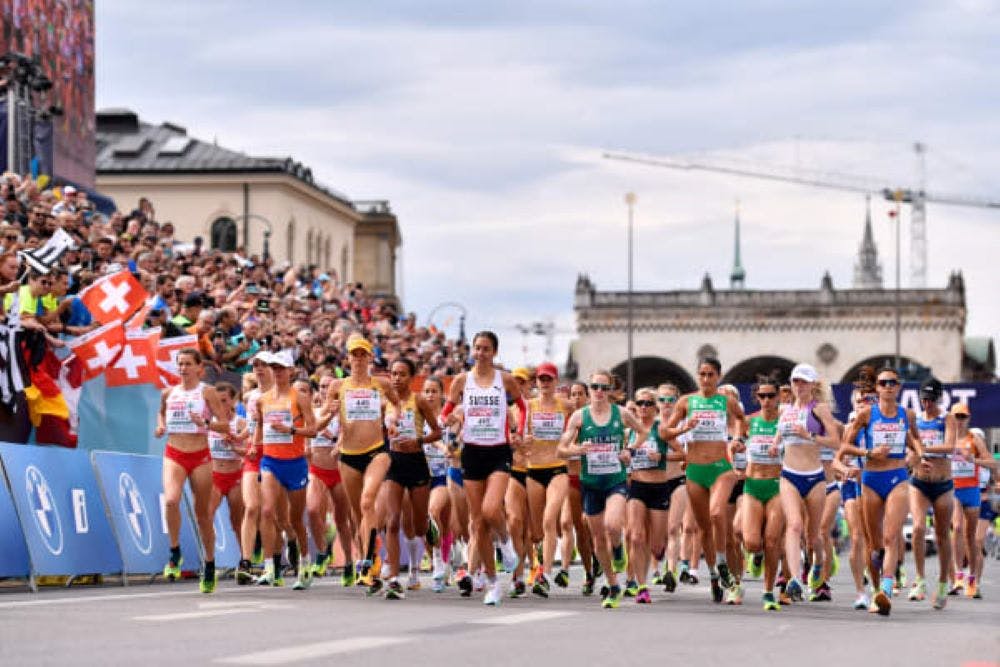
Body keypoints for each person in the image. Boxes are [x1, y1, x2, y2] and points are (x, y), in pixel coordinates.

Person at [441, 331, 526, 606]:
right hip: (472, 452)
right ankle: (491, 582)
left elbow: (523, 407)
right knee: (477, 523)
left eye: (486, 349)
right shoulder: (462, 381)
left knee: (491, 510)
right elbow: (445, 413)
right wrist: (450, 418)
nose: (480, 353)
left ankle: (505, 542)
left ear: (495, 352)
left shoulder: (506, 381)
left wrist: (519, 432)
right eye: (477, 348)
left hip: (499, 452)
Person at [557, 370, 648, 609]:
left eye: (603, 388)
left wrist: (631, 450)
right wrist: (578, 449)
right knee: (597, 539)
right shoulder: (579, 417)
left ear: (610, 391)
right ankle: (613, 584)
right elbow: (561, 450)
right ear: (589, 390)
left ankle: (618, 549)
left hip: (615, 480)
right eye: (594, 387)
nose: (598, 392)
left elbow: (643, 432)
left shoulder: (621, 414)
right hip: (590, 483)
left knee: (612, 525)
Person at [841, 366, 924, 616]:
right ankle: (876, 590)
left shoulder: (906, 414)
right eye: (883, 382)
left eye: (892, 382)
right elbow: (845, 446)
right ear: (877, 388)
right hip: (870, 479)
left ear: (898, 387)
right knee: (873, 546)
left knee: (890, 537)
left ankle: (886, 590)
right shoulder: (866, 414)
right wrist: (867, 453)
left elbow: (915, 440)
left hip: (897, 477)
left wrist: (919, 455)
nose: (888, 386)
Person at [660, 357, 742, 603]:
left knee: (717, 513)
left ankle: (723, 563)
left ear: (718, 377)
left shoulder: (726, 401)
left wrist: (736, 439)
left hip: (721, 467)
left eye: (710, 375)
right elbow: (664, 432)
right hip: (695, 469)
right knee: (704, 528)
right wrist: (684, 430)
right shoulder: (687, 401)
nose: (706, 379)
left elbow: (740, 419)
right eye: (702, 374)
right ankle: (715, 575)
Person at [327, 335, 401, 595]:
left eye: (362, 354)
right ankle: (371, 563)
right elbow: (327, 411)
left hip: (376, 451)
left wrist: (391, 417)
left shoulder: (380, 383)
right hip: (348, 454)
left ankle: (369, 563)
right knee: (358, 516)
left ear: (370, 358)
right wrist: (330, 409)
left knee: (368, 501)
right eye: (354, 354)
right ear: (347, 358)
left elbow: (395, 403)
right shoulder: (338, 385)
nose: (358, 359)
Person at [155, 348, 230, 594]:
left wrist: (206, 423)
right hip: (174, 452)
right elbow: (161, 412)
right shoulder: (169, 392)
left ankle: (209, 562)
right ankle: (175, 551)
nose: (183, 368)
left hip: (200, 457)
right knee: (171, 500)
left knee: (203, 516)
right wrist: (161, 425)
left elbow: (225, 425)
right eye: (180, 364)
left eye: (188, 364)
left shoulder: (207, 392)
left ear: (199, 367)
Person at [771, 363, 839, 603]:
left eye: (803, 382)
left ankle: (818, 563)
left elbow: (835, 441)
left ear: (812, 385)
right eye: (795, 381)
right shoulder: (785, 410)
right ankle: (795, 578)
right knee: (794, 526)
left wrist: (809, 435)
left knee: (813, 537)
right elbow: (780, 434)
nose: (798, 386)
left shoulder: (819, 409)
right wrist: (774, 444)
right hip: (789, 474)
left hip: (814, 478)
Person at [251, 350, 317, 590]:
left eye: (281, 368)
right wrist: (252, 445)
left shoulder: (299, 397)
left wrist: (290, 431)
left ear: (290, 371)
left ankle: (305, 561)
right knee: (267, 510)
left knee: (295, 519)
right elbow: (259, 426)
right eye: (274, 368)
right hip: (270, 461)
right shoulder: (262, 399)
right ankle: (270, 566)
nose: (277, 372)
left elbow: (313, 430)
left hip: (295, 462)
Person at [382, 358, 441, 599]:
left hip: (417, 463)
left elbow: (437, 431)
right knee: (393, 521)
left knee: (418, 526)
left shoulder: (418, 401)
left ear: (411, 377)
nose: (397, 378)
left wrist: (417, 441)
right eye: (394, 373)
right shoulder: (384, 402)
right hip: (394, 463)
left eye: (402, 374)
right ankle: (394, 578)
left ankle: (429, 526)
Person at [625, 387, 683, 604]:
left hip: (659, 488)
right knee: (636, 536)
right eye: (639, 403)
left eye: (648, 404)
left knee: (657, 545)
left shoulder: (661, 429)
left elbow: (682, 454)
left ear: (655, 407)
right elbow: (621, 454)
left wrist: (662, 456)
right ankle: (641, 585)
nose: (643, 408)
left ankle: (659, 555)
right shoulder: (629, 431)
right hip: (637, 486)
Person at [907, 377, 957, 609]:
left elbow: (949, 447)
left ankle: (943, 583)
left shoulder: (946, 419)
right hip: (919, 482)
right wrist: (914, 455)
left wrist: (923, 448)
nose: (926, 403)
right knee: (917, 527)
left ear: (938, 398)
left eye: (931, 399)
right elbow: (908, 447)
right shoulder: (914, 419)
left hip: (943, 484)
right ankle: (919, 579)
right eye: (923, 399)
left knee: (941, 535)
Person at [525, 361, 573, 598]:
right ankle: (538, 563)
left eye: (549, 379)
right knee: (536, 531)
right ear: (536, 382)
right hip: (533, 470)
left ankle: (544, 573)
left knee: (548, 520)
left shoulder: (566, 406)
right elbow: (517, 433)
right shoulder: (528, 406)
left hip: (557, 468)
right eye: (541, 379)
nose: (545, 383)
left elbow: (584, 421)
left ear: (556, 382)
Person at [304, 377, 355, 586]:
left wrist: (338, 444)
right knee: (314, 510)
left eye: (330, 387)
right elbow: (310, 430)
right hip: (317, 469)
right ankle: (323, 553)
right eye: (323, 387)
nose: (326, 390)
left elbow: (348, 432)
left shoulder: (345, 409)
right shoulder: (313, 411)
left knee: (342, 520)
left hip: (339, 471)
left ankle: (350, 564)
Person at [741, 378, 785, 611]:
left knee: (772, 540)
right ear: (757, 398)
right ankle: (755, 555)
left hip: (777, 485)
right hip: (752, 485)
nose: (766, 400)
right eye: (762, 396)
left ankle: (768, 591)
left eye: (771, 396)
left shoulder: (784, 423)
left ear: (778, 397)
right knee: (751, 541)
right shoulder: (750, 422)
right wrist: (735, 447)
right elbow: (735, 442)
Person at [949, 404, 995, 599]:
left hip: (972, 490)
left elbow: (992, 463)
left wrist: (973, 460)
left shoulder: (973, 439)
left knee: (972, 538)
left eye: (963, 416)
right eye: (956, 416)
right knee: (957, 528)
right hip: (953, 489)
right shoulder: (947, 438)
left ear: (968, 418)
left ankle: (973, 579)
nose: (959, 420)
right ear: (951, 418)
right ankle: (958, 574)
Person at [559, 381, 597, 595]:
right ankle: (589, 572)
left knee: (590, 523)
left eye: (580, 394)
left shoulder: (593, 420)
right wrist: (573, 448)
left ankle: (599, 556)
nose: (576, 398)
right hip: (572, 478)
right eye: (572, 394)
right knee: (578, 528)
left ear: (587, 397)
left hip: (593, 478)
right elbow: (560, 451)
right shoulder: (566, 423)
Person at [207, 382, 248, 560]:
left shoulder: (240, 423)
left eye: (224, 401)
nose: (221, 405)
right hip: (214, 476)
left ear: (233, 401)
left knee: (237, 522)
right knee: (206, 516)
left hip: (235, 476)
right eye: (217, 401)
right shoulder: (210, 422)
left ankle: (245, 560)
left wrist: (232, 443)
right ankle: (209, 561)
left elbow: (247, 451)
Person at [421, 376, 454, 592]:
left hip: (444, 476)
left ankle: (440, 562)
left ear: (442, 394)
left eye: (434, 391)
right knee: (425, 524)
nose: (430, 395)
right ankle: (440, 560)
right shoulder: (417, 418)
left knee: (434, 512)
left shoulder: (448, 419)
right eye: (427, 391)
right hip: (422, 477)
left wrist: (448, 449)